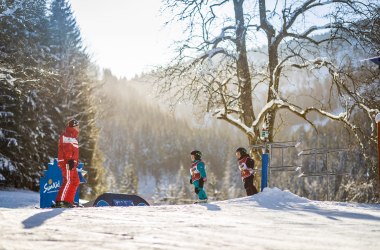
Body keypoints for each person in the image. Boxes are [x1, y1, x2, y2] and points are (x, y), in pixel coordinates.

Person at [55, 119, 81, 208]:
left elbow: (74, 152)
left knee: (75, 181)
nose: (79, 129)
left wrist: (75, 161)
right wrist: (70, 160)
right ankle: (60, 201)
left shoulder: (73, 137)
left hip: (72, 163)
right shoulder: (67, 136)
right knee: (68, 180)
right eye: (77, 127)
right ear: (73, 127)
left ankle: (68, 201)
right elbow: (67, 149)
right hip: (67, 163)